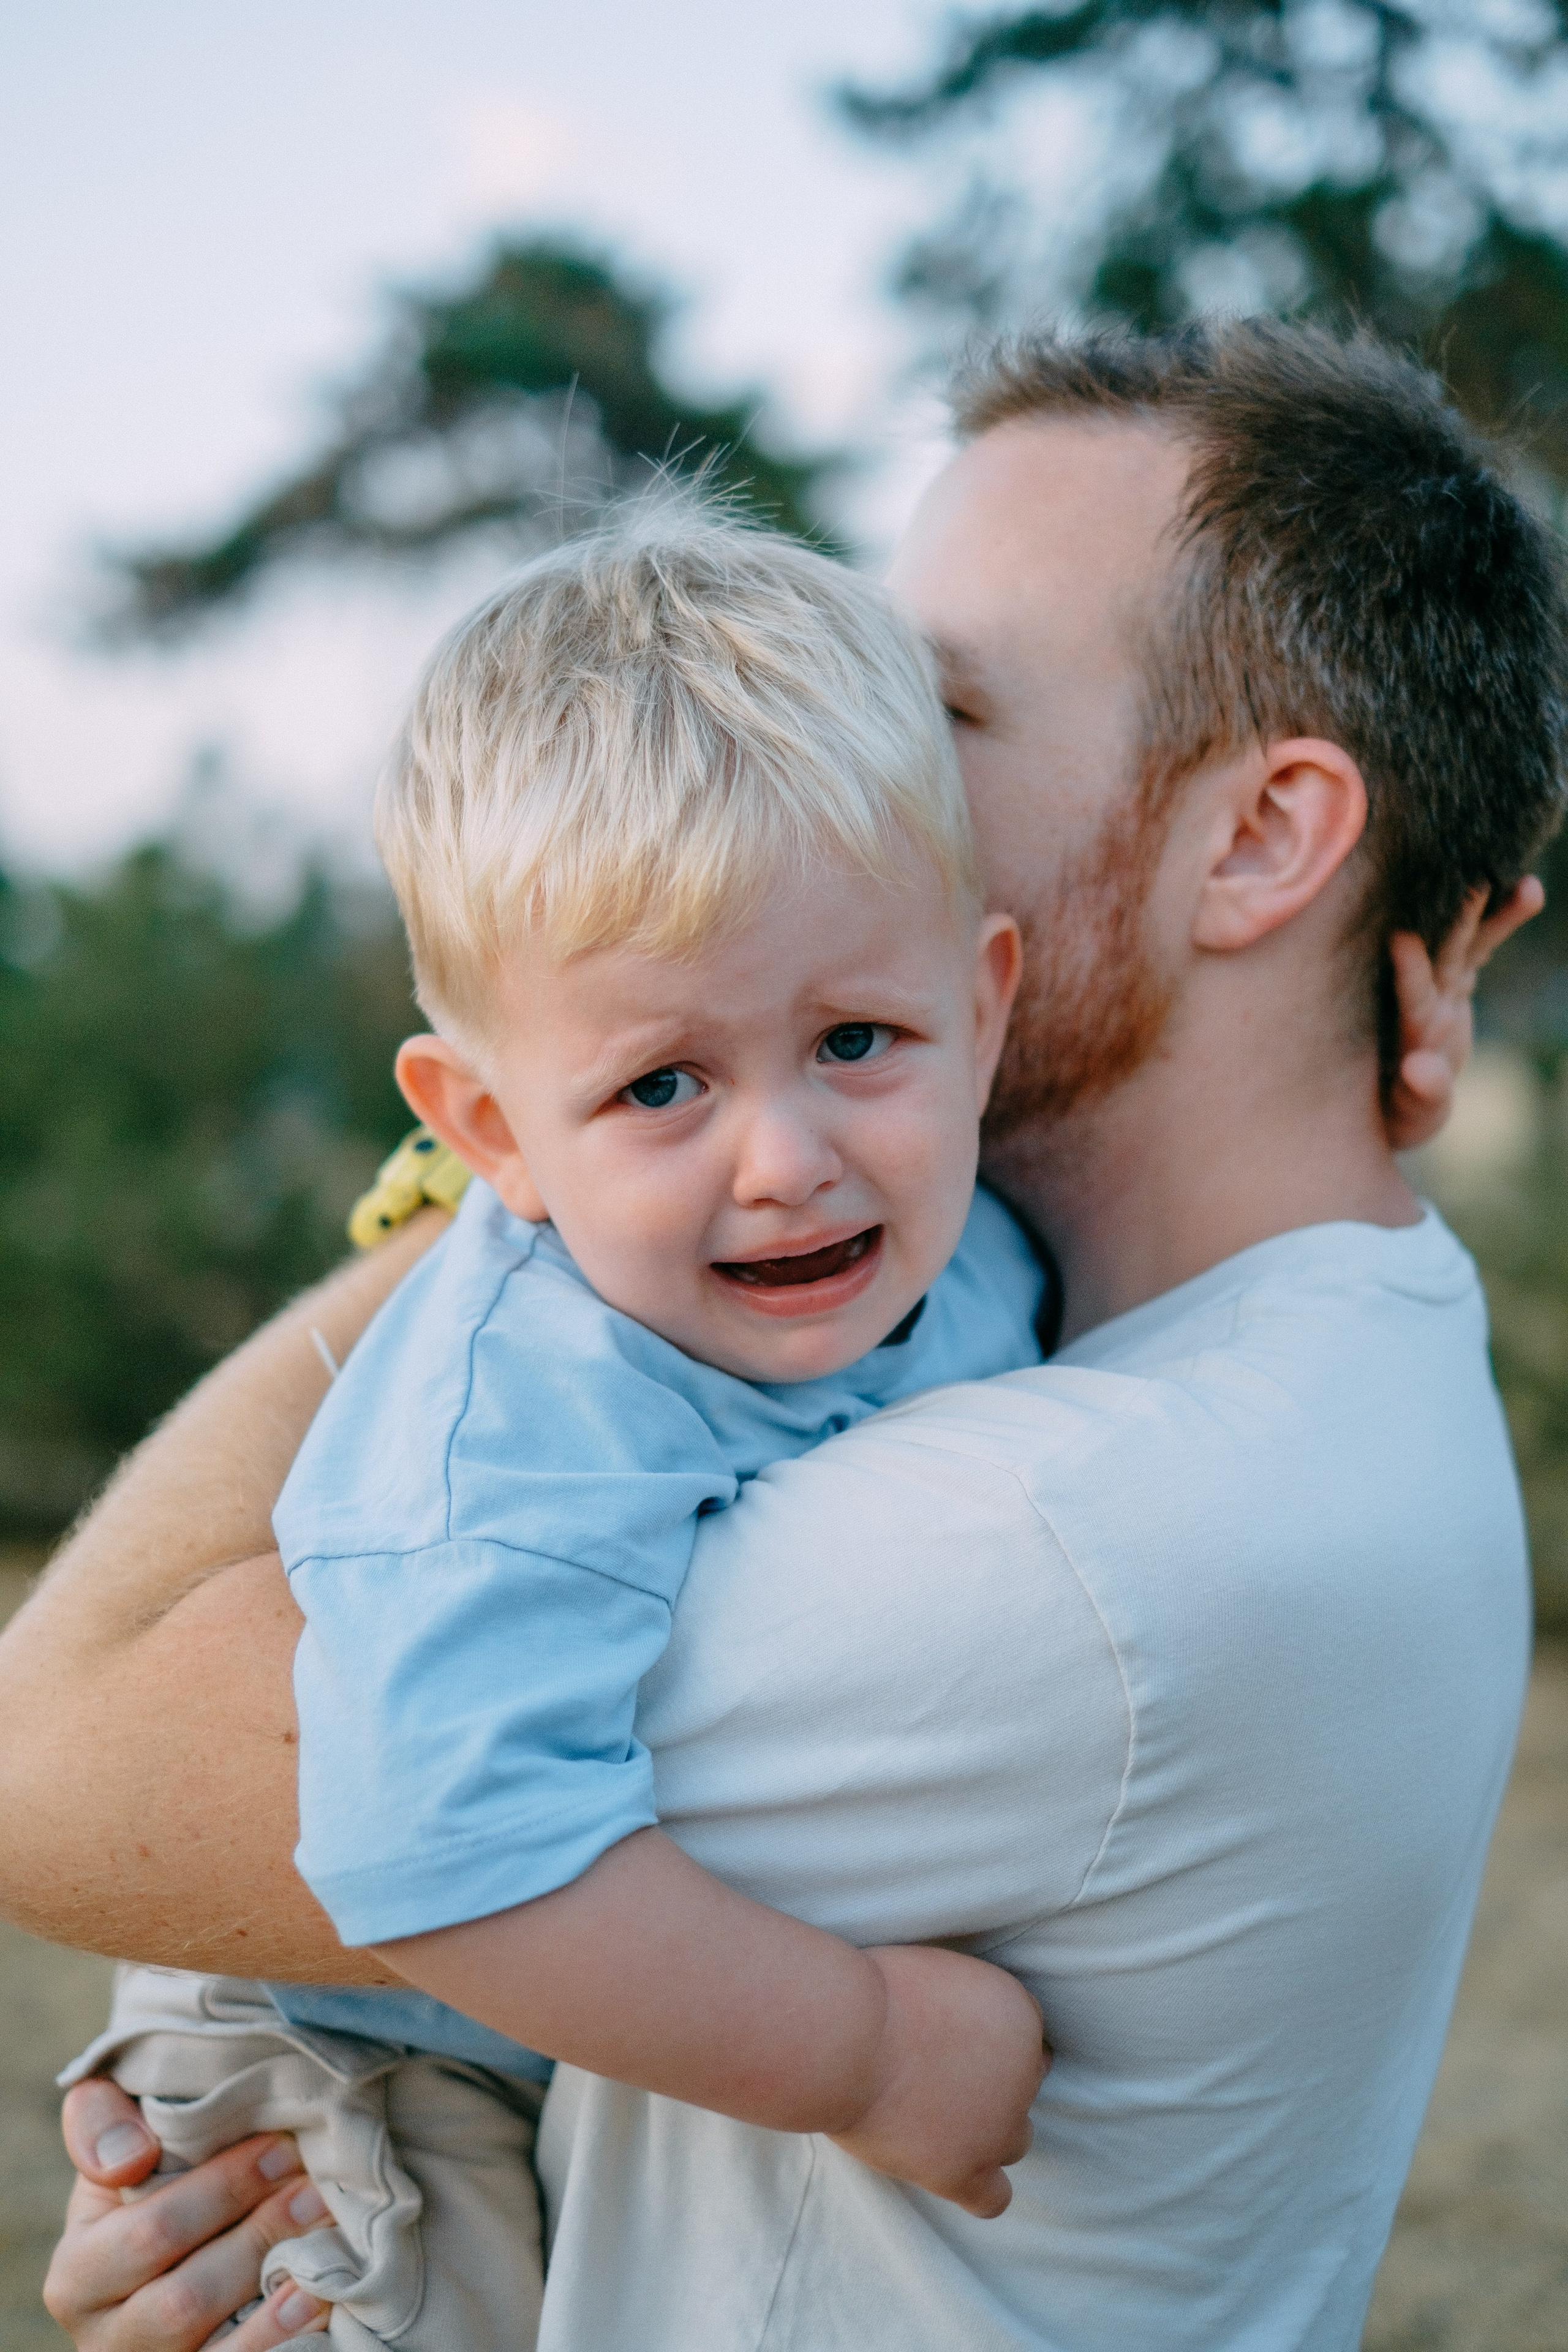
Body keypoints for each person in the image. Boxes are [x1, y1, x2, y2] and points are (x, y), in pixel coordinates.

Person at [6, 318, 1561, 2352]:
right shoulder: (1312, 1339)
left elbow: (60, 1762)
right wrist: (541, 1166)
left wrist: (528, 1177)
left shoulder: (1049, 1550)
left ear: (1263, 839)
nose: (813, 773)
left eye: (936, 705)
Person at [56, 511, 1052, 2348]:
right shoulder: (528, 1413)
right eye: (662, 1083)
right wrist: (872, 2051)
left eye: (857, 1040)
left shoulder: (990, 1252)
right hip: (360, 2061)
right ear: (491, 1133)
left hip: (590, 2001)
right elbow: (447, 1858)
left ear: (984, 1009)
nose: (787, 1158)